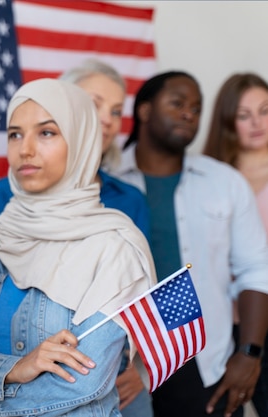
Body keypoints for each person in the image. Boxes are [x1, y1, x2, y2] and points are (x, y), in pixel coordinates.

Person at [0, 78, 157, 416]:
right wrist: (14, 368)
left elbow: (85, 379)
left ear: (82, 142)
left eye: (47, 132)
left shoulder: (115, 247)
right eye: (15, 134)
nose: (26, 149)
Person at [111, 70, 268, 417]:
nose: (189, 114)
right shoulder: (106, 181)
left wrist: (249, 354)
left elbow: (255, 269)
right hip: (123, 367)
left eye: (197, 109)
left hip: (205, 362)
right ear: (145, 110)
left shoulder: (225, 182)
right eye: (178, 104)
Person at [0, 59, 149, 240]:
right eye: (94, 104)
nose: (107, 119)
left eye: (116, 112)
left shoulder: (131, 199)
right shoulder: (3, 193)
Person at [203, 72, 268, 417]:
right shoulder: (210, 176)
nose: (257, 122)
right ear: (228, 120)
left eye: (265, 110)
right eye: (244, 115)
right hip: (230, 323)